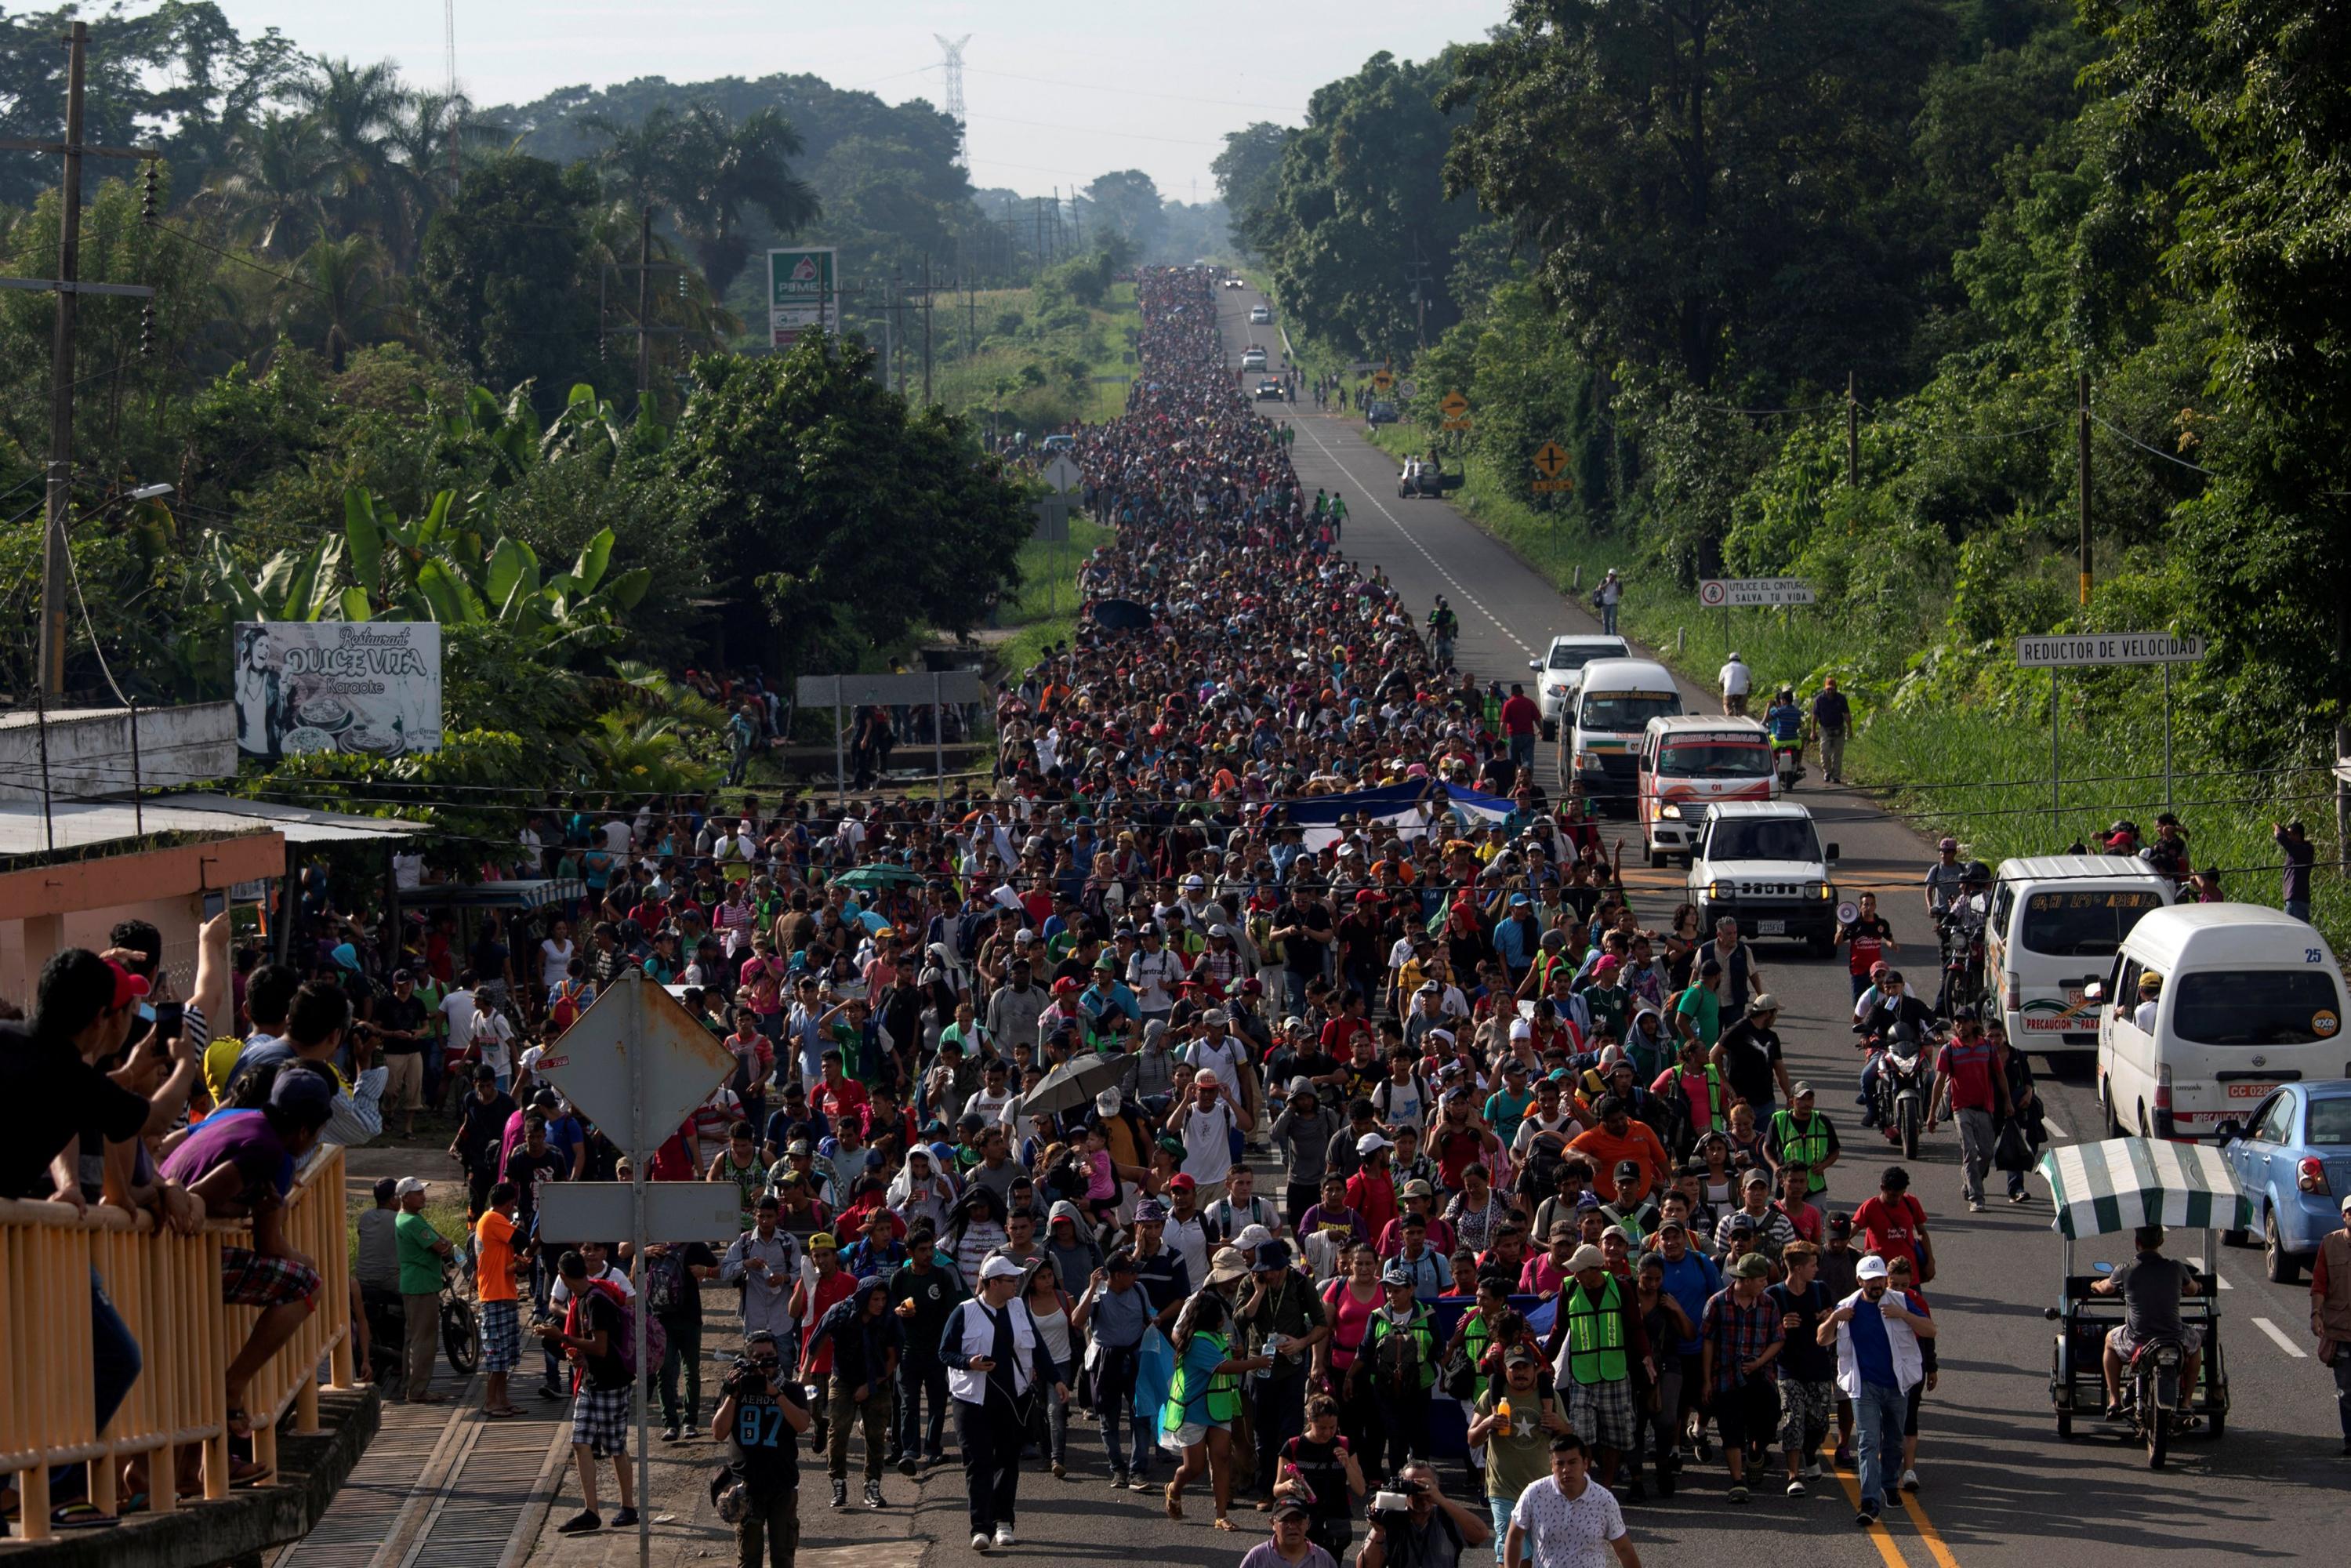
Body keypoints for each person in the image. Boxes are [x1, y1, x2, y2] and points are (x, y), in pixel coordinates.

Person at [942, 1253, 1067, 1552]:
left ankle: (1004, 1522)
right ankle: (980, 1528)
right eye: (1012, 1280)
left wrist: (1056, 1379)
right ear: (993, 1282)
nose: (1017, 1284)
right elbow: (944, 1352)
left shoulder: (1018, 1309)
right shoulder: (964, 1311)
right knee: (978, 1463)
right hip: (971, 1401)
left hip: (1014, 1400)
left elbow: (1038, 1349)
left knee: (1008, 1462)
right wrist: (968, 1362)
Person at [1818, 1253, 1932, 1528]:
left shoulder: (1901, 1301)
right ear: (1860, 1281)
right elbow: (1821, 1338)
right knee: (1869, 1442)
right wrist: (1835, 1317)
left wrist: (1903, 1315)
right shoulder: (1847, 1306)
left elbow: (1930, 1330)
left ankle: (1889, 1483)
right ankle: (1869, 1502)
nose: (1876, 1285)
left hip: (1896, 1385)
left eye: (1880, 1279)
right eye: (1870, 1281)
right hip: (1864, 1387)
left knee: (1893, 1440)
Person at [538, 1249, 640, 1533]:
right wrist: (577, 1356)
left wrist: (563, 1337)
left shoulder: (595, 1300)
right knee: (580, 1442)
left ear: (562, 1276)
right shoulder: (582, 1298)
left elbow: (600, 1347)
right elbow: (593, 1349)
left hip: (611, 1383)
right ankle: (591, 1511)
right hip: (591, 1380)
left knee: (615, 1447)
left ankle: (628, 1507)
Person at [1545, 1244, 1646, 1490]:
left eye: (1581, 1271)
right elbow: (1559, 1329)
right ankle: (1586, 1483)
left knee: (1616, 1434)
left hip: (1616, 1373)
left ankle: (1608, 1486)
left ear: (1596, 1270)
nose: (1576, 1276)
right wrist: (1544, 1360)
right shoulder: (1568, 1288)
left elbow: (1635, 1327)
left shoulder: (1621, 1288)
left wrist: (1646, 1356)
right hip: (1582, 1373)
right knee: (1581, 1434)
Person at [713, 1329, 813, 1568]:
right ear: (748, 1360)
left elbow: (802, 1424)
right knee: (749, 1559)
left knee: (783, 1556)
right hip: (747, 1487)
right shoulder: (736, 1389)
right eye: (758, 1357)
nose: (765, 1362)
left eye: (770, 1355)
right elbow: (718, 1432)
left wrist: (775, 1393)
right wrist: (733, 1394)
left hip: (782, 1484)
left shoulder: (791, 1389)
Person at [802, 1273, 902, 1509]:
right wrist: (805, 1372)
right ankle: (838, 1483)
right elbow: (817, 1340)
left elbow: (892, 1360)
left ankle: (873, 1485)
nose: (879, 1304)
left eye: (883, 1299)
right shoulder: (841, 1312)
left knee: (876, 1435)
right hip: (844, 1379)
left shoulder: (888, 1319)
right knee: (837, 1433)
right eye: (875, 1299)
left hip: (877, 1381)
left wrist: (870, 1386)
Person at [2093, 1224, 2204, 1421]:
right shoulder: (2176, 1267)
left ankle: (2114, 1400)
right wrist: (2198, 1284)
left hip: (2137, 1340)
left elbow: (2105, 1288)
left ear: (2137, 1243)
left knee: (2110, 1341)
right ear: (2161, 1242)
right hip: (2174, 1339)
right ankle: (2187, 1401)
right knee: (2196, 1343)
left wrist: (2094, 1285)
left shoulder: (2125, 1269)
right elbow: (2193, 1290)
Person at [1697, 1251, 1782, 1504]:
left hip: (1760, 1374)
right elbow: (1708, 1342)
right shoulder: (1717, 1303)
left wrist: (1759, 1362)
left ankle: (1755, 1454)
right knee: (1729, 1427)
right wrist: (1707, 1380)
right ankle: (1737, 1481)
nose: (1765, 1284)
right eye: (1760, 1280)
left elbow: (1778, 1340)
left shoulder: (1769, 1304)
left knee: (1769, 1420)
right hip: (1727, 1375)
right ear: (1744, 1279)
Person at [1468, 1347, 1566, 1557]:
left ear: (1535, 1369)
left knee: (1540, 1551)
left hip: (1542, 1490)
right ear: (1505, 1369)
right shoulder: (1491, 1397)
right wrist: (1487, 1423)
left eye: (1525, 1367)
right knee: (1510, 1548)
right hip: (1503, 1490)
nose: (1521, 1372)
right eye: (1515, 1368)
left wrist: (1559, 1424)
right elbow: (1472, 1440)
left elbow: (1570, 1438)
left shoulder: (1550, 1397)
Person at [1504, 1434, 1639, 1568]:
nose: (1566, 1469)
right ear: (1551, 1465)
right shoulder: (1534, 1494)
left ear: (1585, 1463)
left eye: (1573, 1462)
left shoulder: (1604, 1500)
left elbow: (1623, 1549)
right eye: (1560, 1463)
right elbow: (1515, 1536)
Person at [1768, 1242, 1834, 1495]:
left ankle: (1810, 1452)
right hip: (1788, 1368)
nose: (1816, 1270)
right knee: (1794, 1419)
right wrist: (1781, 1326)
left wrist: (1828, 1318)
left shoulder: (1820, 1290)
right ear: (1796, 1269)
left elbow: (1833, 1327)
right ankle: (1793, 1475)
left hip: (1818, 1366)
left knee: (1819, 1422)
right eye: (1812, 1265)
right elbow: (1765, 1332)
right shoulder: (1775, 1295)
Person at [1927, 1010, 2008, 1212]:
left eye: (1965, 1022)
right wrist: (1932, 1114)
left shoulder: (1987, 1047)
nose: (1961, 1026)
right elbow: (1938, 1082)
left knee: (1987, 1153)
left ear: (1974, 1024)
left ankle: (1969, 1181)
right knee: (1970, 1151)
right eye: (1958, 1023)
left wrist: (2008, 1101)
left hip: (1985, 1108)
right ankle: (1977, 1198)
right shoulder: (1949, 1050)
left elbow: (2000, 1075)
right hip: (1961, 1110)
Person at [1358, 1461, 1492, 1568]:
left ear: (1437, 1488)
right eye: (1413, 1486)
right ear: (1402, 1490)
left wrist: (1442, 1500)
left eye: (1425, 1486)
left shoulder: (1447, 1517)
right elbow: (1365, 1566)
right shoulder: (1391, 1518)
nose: (1420, 1494)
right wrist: (1378, 1530)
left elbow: (1481, 1534)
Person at [393, 1176, 454, 1403]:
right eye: (418, 1193)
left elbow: (441, 1241)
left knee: (413, 1338)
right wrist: (445, 1245)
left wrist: (444, 1243)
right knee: (424, 1340)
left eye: (422, 1192)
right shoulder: (412, 1222)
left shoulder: (410, 1218)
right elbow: (441, 1246)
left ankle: (409, 1385)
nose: (423, 1196)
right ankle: (418, 1390)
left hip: (415, 1283)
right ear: (405, 1198)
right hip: (421, 1285)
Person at [474, 1180, 525, 1417]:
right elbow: (523, 1239)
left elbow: (504, 1264)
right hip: (494, 1296)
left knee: (505, 1355)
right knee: (496, 1355)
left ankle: (502, 1399)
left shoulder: (491, 1221)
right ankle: (490, 1401)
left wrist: (518, 1264)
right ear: (509, 1204)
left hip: (503, 1292)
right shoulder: (494, 1220)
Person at [2309, 1192, 2351, 1454]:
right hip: (2341, 1330)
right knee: (2347, 1390)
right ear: (2344, 1215)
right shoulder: (2329, 1244)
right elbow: (2319, 1284)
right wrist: (2315, 1314)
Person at [1243, 1500, 1340, 1568]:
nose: (1292, 1526)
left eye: (1298, 1520)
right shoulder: (1257, 1557)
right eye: (1285, 1521)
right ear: (1273, 1523)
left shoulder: (1323, 1559)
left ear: (1307, 1523)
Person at [1809, 677, 1850, 785]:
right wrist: (1813, 731)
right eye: (1828, 689)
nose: (1830, 691)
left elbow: (1846, 715)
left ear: (1836, 689)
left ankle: (1836, 776)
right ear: (1825, 688)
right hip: (1825, 729)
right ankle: (1827, 771)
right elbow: (1815, 717)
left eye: (1832, 689)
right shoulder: (1819, 700)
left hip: (1839, 728)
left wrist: (1850, 729)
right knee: (1824, 752)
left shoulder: (1841, 699)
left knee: (1838, 753)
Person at [2276, 821, 2316, 922]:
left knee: (2294, 934)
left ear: (2297, 835)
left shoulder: (2303, 850)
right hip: (2297, 900)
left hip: (2296, 900)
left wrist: (2279, 833)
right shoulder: (2300, 851)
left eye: (2290, 835)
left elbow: (2284, 841)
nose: (2288, 837)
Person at [1718, 653, 1751, 717]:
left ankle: (1729, 714)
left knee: (1727, 705)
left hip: (1729, 692)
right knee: (1742, 707)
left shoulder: (1725, 668)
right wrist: (1748, 692)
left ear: (1729, 660)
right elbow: (1750, 682)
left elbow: (1720, 682)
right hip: (1742, 692)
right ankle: (1743, 717)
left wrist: (1724, 691)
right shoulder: (1745, 668)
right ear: (1739, 660)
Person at [1593, 569, 1623, 637]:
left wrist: (1618, 587)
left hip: (1613, 605)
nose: (1611, 577)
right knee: (1605, 621)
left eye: (1613, 576)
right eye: (1610, 575)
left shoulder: (1617, 583)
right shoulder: (1604, 581)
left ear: (1615, 577)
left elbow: (1621, 594)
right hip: (1605, 604)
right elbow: (1600, 588)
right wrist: (1608, 583)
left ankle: (1613, 636)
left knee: (1613, 622)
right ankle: (1606, 635)